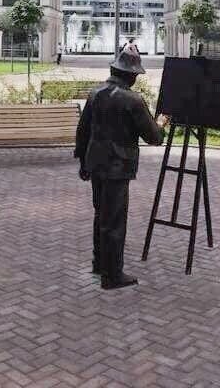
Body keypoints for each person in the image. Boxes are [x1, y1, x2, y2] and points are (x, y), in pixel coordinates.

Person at [74, 43, 165, 290]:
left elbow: (82, 131)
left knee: (100, 215)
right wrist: (162, 123)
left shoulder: (95, 93)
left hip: (96, 163)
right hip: (117, 167)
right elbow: (154, 137)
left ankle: (99, 263)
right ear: (130, 75)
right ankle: (112, 275)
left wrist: (82, 161)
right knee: (114, 221)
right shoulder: (133, 100)